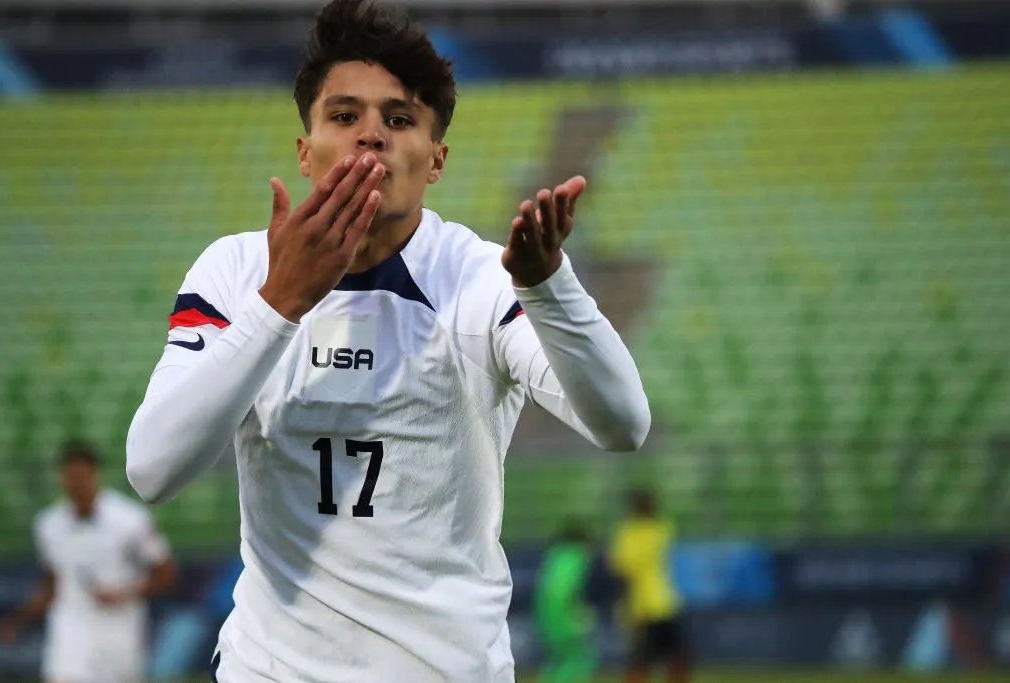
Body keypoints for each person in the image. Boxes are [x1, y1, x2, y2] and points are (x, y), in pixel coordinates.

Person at [124, 0, 650, 680]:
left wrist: (548, 284)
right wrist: (281, 302)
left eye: (399, 120)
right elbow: (153, 469)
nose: (370, 137)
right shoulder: (235, 272)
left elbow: (622, 424)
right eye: (344, 116)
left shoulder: (482, 278)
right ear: (305, 149)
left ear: (436, 159)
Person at [0, 440, 177, 683]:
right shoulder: (49, 525)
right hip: (71, 628)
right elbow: (52, 584)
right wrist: (17, 618)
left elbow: (166, 572)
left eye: (82, 474)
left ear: (95, 474)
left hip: (120, 631)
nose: (76, 482)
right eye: (70, 475)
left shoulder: (130, 519)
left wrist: (123, 593)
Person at [609, 488, 690, 683]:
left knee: (641, 659)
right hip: (664, 601)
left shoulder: (627, 534)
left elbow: (620, 571)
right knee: (677, 657)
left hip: (641, 605)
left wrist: (624, 606)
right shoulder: (661, 529)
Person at [533, 521, 598, 683]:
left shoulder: (554, 555)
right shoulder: (577, 557)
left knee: (558, 660)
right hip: (562, 615)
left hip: (544, 615)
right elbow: (564, 592)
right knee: (580, 659)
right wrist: (577, 618)